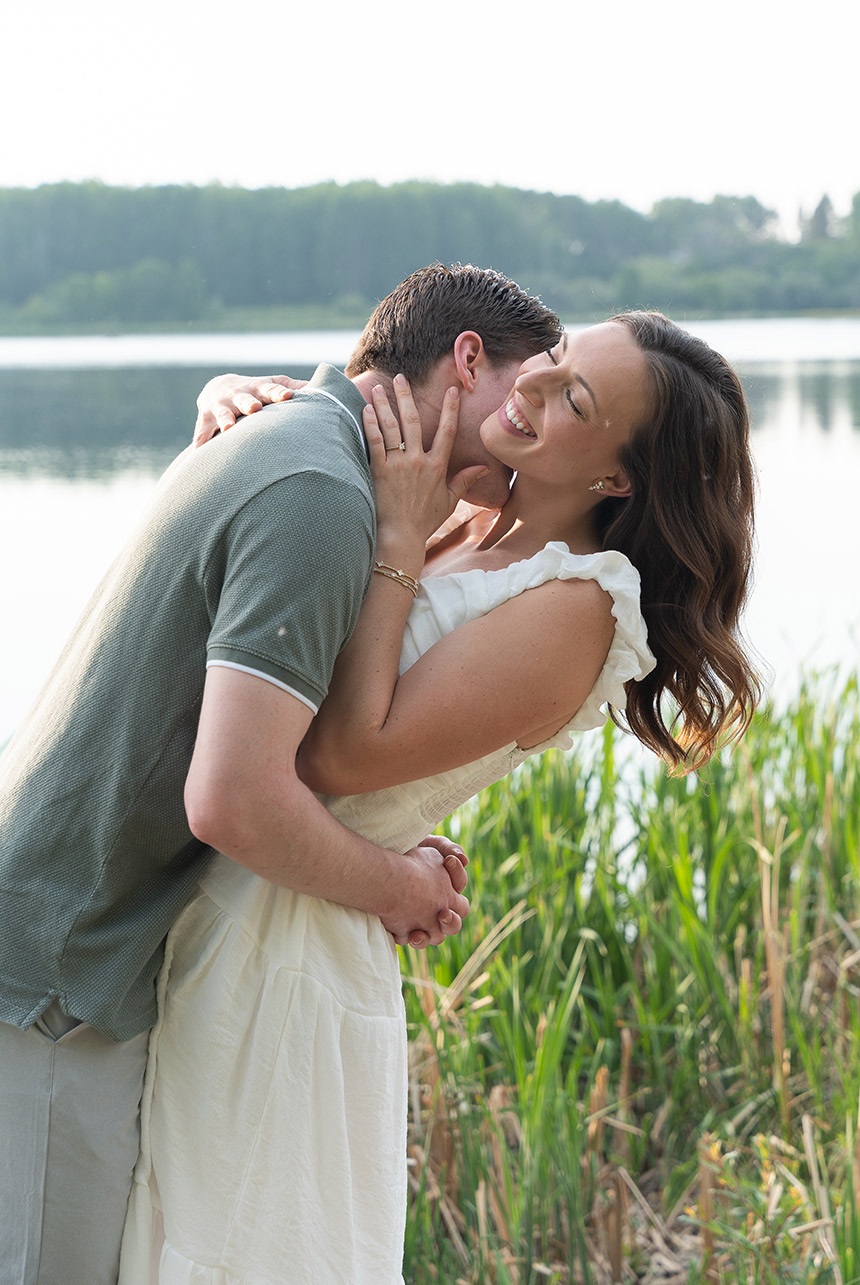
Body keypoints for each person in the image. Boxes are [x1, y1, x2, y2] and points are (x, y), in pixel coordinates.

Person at [117, 312, 760, 1282]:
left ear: (616, 478)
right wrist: (238, 410)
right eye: (551, 364)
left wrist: (396, 538)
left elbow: (339, 751)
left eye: (573, 400)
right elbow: (331, 455)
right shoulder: (469, 510)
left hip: (291, 952)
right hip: (234, 896)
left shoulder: (579, 611)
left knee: (246, 1245)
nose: (533, 392)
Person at [0, 263, 563, 1285]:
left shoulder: (297, 440)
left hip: (73, 957)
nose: (535, 439)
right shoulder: (317, 490)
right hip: (51, 977)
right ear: (466, 362)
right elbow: (234, 796)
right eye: (530, 396)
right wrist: (397, 886)